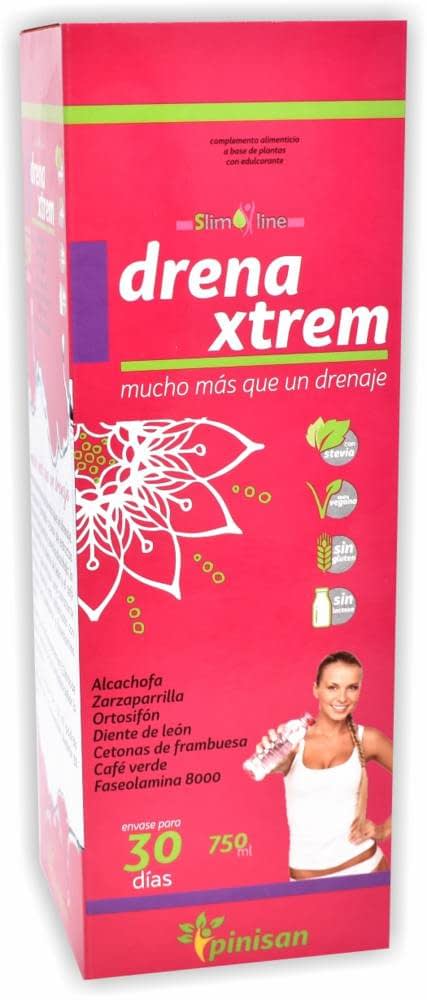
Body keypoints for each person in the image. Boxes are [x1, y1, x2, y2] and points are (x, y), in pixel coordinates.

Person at [257, 651, 392, 880]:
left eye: (352, 687)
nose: (342, 698)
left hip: (365, 867)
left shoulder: (368, 739)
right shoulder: (294, 740)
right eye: (332, 687)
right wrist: (275, 764)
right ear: (316, 689)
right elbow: (279, 765)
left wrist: (384, 830)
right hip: (306, 879)